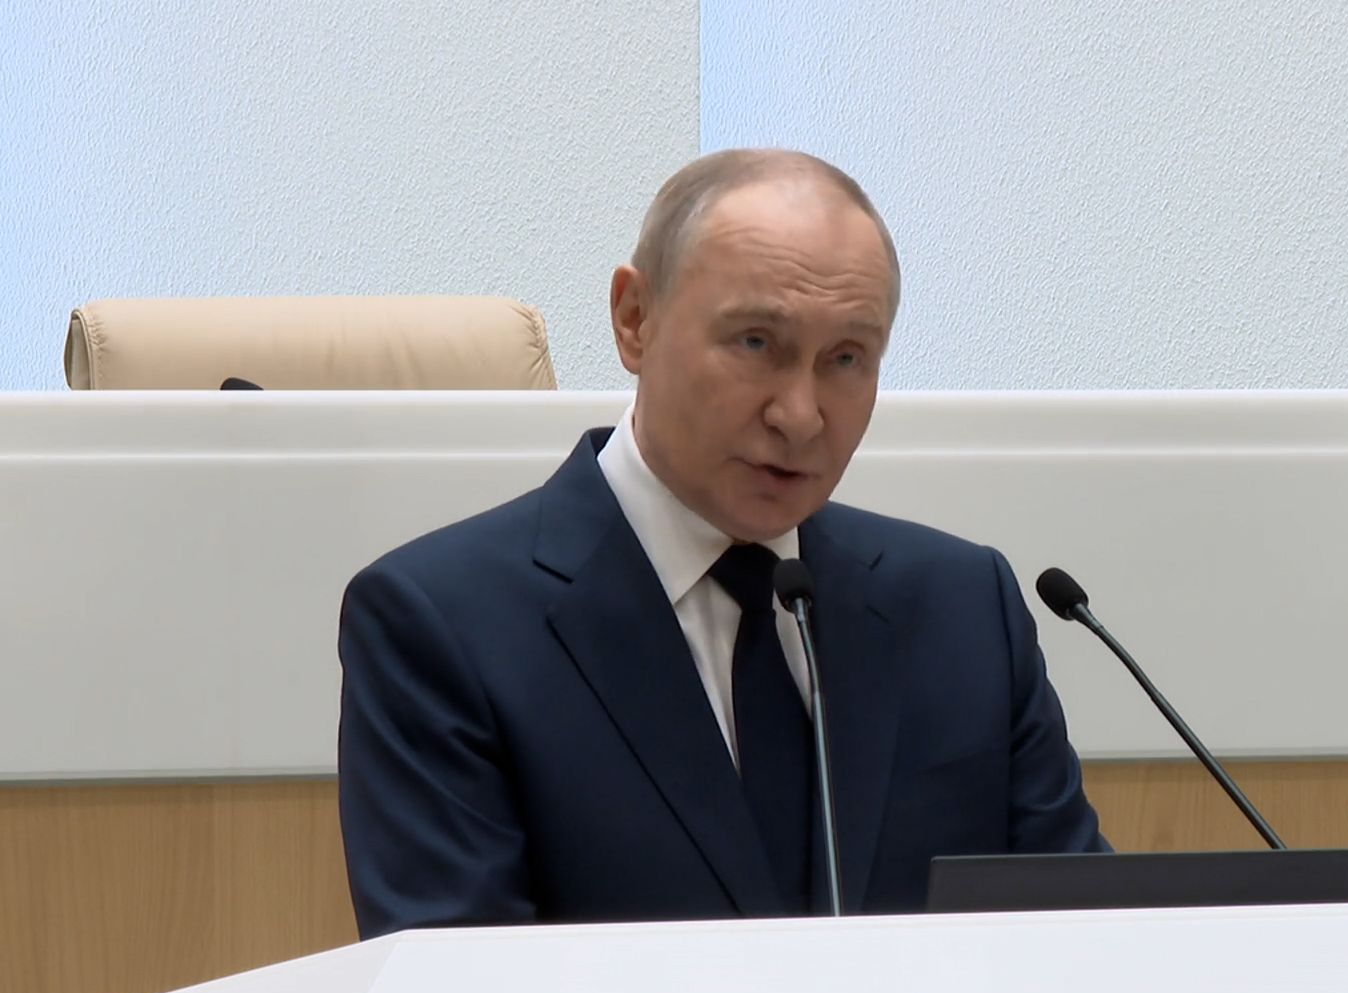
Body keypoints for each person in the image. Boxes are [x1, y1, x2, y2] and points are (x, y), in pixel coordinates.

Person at [337, 149, 1106, 938]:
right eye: (756, 344)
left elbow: (1088, 944)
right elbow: (459, 991)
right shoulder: (443, 626)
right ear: (635, 319)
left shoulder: (964, 607)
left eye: (846, 359)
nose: (800, 416)